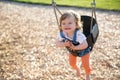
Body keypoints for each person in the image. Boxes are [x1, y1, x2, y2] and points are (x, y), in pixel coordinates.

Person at [56, 10, 91, 80]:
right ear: (60, 25)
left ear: (76, 24)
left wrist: (75, 47)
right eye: (63, 23)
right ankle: (77, 68)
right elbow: (57, 43)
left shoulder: (78, 35)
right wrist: (64, 44)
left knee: (86, 65)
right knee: (71, 63)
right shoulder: (63, 34)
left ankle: (87, 75)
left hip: (84, 51)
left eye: (69, 23)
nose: (66, 25)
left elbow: (85, 44)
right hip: (73, 51)